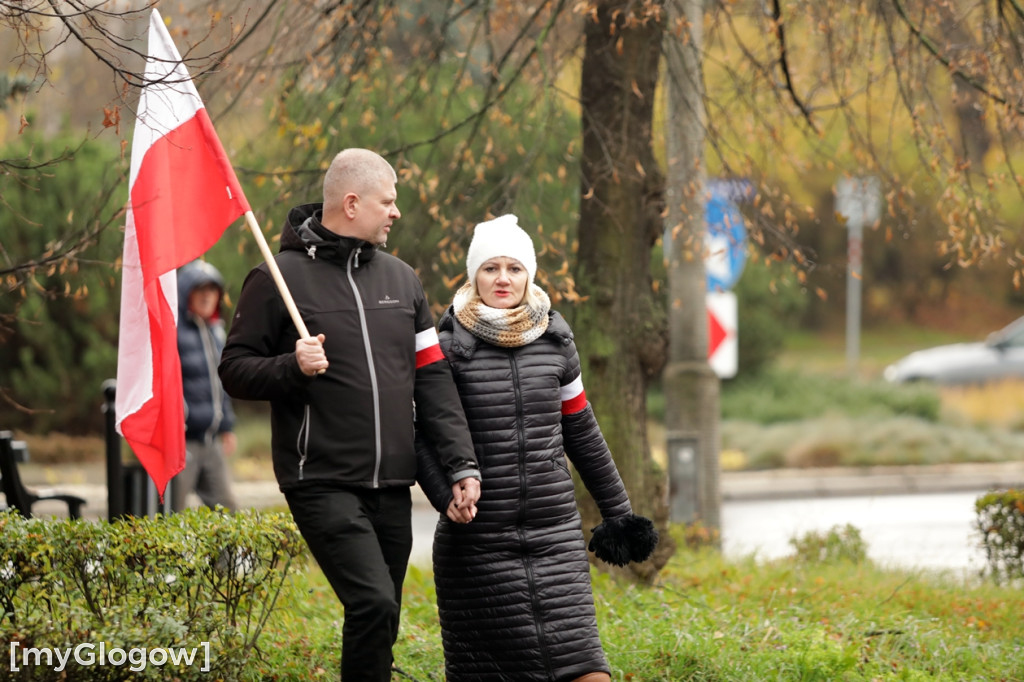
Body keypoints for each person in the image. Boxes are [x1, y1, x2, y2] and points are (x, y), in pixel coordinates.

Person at [217, 148, 481, 682]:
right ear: (353, 203)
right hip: (320, 480)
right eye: (389, 201)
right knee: (373, 604)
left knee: (381, 618)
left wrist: (461, 465)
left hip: (391, 485)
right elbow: (235, 369)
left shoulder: (403, 281)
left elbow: (432, 381)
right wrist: (291, 365)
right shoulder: (277, 277)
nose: (396, 212)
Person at [416, 214, 659, 682]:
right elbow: (417, 432)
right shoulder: (446, 350)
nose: (502, 279)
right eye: (490, 268)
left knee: (587, 670)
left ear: (530, 274)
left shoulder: (558, 343)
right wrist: (444, 494)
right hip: (478, 545)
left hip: (556, 540)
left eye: (514, 267)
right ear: (473, 275)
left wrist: (618, 514)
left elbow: (582, 430)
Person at [172, 259, 238, 512]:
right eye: (200, 289)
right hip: (181, 443)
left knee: (229, 515)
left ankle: (229, 556)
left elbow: (220, 384)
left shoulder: (215, 332)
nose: (207, 296)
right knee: (168, 517)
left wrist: (226, 426)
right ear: (185, 292)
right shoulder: (173, 330)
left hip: (210, 442)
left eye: (212, 290)